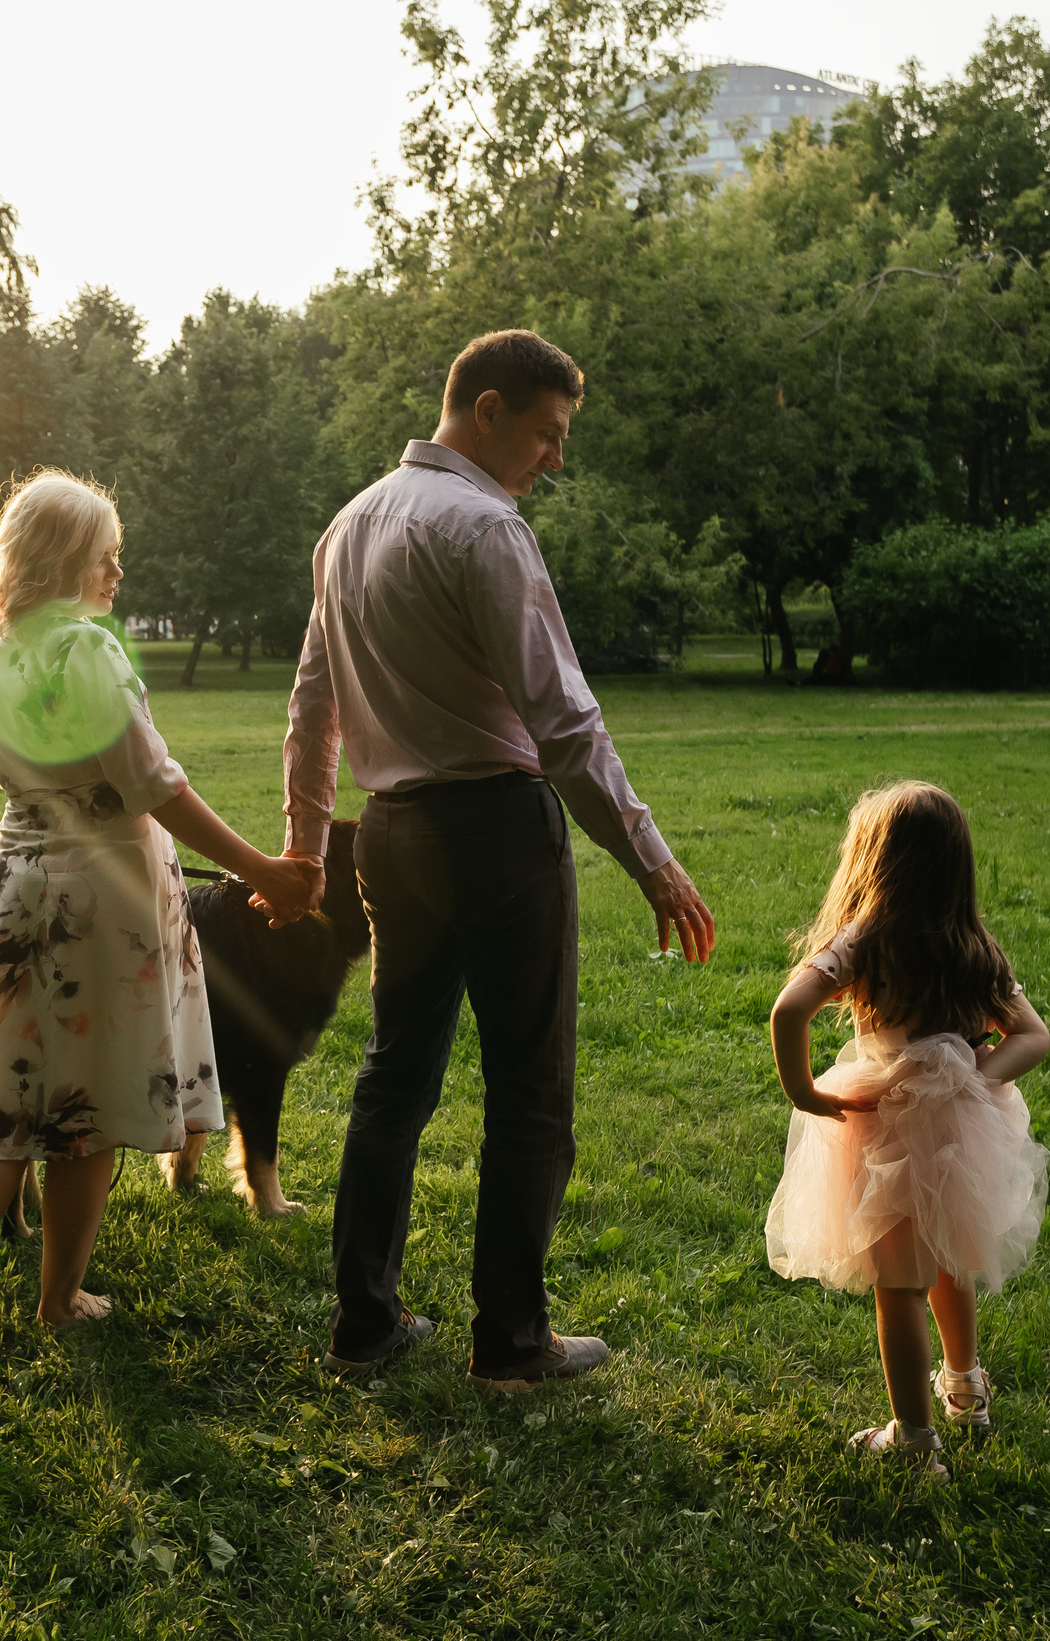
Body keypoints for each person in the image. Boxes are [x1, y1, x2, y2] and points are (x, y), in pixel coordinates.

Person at [282, 328, 716, 1393]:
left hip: (387, 835)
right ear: (484, 411)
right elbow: (562, 720)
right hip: (493, 829)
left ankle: (362, 1324)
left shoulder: (345, 527)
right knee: (529, 1088)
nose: (553, 460)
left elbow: (310, 708)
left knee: (393, 1079)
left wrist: (303, 845)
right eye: (545, 433)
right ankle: (512, 1345)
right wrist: (651, 859)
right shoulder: (485, 528)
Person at [0, 469, 322, 1384]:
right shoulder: (88, 648)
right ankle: (60, 1297)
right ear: (65, 558)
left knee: (5, 1094)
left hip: (20, 879)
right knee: (84, 1109)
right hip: (109, 895)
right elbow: (154, 785)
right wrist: (264, 872)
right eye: (105, 555)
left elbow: (6, 770)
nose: (116, 571)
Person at [765, 781, 1050, 1479]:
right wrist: (973, 1077)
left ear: (872, 863)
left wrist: (805, 1090)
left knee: (898, 1284)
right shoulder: (972, 945)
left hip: (884, 1132)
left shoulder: (863, 941)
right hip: (959, 1132)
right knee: (949, 1259)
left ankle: (916, 1440)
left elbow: (788, 1010)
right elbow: (1034, 1037)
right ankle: (965, 1387)